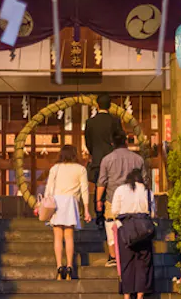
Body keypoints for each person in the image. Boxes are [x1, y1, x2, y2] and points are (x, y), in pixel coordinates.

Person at [97, 133, 146, 268]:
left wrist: (98, 201)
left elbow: (102, 182)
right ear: (126, 142)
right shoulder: (138, 159)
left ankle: (113, 256)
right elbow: (145, 180)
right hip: (134, 198)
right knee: (131, 226)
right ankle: (130, 252)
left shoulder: (107, 159)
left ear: (112, 144)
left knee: (111, 226)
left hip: (112, 197)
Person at [43, 145, 92, 281]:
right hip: (71, 203)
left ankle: (59, 267)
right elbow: (84, 191)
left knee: (58, 236)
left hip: (57, 202)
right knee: (69, 236)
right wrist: (86, 210)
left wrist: (45, 204)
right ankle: (70, 266)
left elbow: (49, 189)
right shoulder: (80, 169)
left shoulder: (55, 168)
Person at [110, 168, 154, 299]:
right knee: (143, 264)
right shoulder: (148, 192)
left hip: (126, 229)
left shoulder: (121, 190)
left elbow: (115, 211)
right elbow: (153, 213)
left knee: (126, 264)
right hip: (144, 230)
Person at [82, 93, 125, 191]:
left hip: (97, 161)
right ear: (110, 106)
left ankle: (98, 205)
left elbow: (88, 142)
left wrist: (94, 153)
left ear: (97, 105)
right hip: (113, 160)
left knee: (99, 190)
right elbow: (120, 140)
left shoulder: (90, 122)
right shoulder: (115, 121)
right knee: (113, 191)